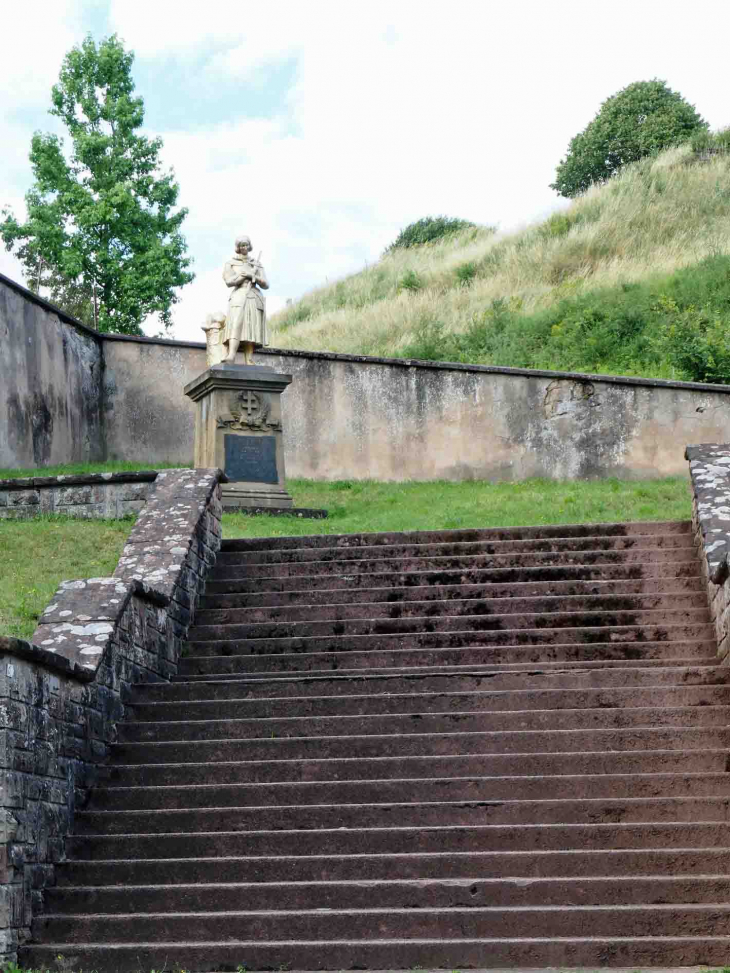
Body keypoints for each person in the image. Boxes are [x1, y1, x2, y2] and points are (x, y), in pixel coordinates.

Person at [222, 235, 269, 364]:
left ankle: (249, 358)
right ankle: (231, 354)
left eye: (246, 245)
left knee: (250, 326)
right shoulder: (231, 263)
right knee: (236, 324)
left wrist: (253, 275)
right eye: (241, 245)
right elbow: (229, 281)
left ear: (249, 246)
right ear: (238, 247)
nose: (244, 247)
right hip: (238, 295)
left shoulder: (256, 263)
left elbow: (266, 284)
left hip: (253, 296)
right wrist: (243, 276)